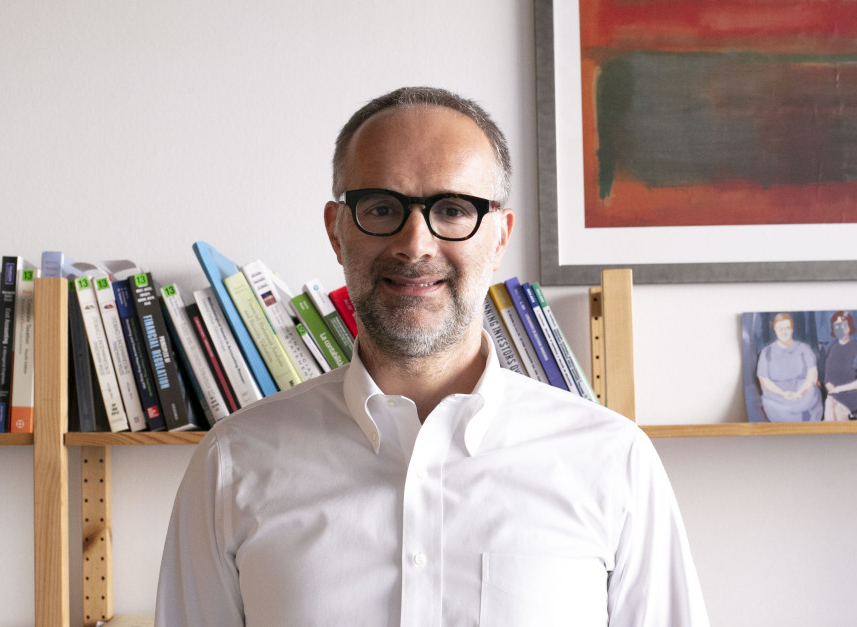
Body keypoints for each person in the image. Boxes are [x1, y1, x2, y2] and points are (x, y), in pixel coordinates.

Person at [155, 86, 708, 625]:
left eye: (451, 209)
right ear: (336, 230)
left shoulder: (613, 462)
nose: (415, 244)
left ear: (498, 236)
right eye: (379, 207)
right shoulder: (232, 462)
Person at [756, 313, 823, 422]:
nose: (784, 332)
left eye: (787, 328)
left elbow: (812, 376)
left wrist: (799, 393)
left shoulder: (805, 349)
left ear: (792, 329)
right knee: (774, 405)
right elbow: (764, 380)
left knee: (812, 395)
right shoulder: (766, 352)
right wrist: (783, 394)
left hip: (803, 394)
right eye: (780, 329)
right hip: (777, 397)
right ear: (775, 329)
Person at [822, 311, 857, 421]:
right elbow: (827, 379)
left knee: (839, 410)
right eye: (836, 325)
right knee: (829, 404)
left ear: (849, 326)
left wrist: (838, 389)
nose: (840, 328)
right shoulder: (832, 349)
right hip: (835, 393)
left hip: (853, 393)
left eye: (843, 324)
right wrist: (831, 389)